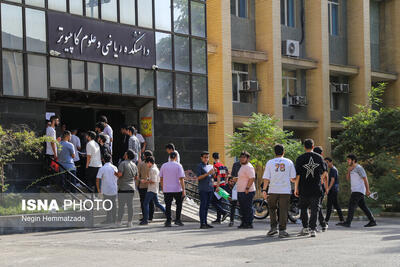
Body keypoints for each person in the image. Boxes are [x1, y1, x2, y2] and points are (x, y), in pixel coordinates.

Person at [294, 139, 328, 238]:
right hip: (316, 188)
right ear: (313, 146)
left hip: (303, 187)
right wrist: (320, 180)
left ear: (304, 147)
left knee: (303, 208)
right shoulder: (319, 157)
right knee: (314, 209)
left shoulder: (300, 158)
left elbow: (298, 175)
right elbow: (325, 172)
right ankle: (313, 229)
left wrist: (296, 188)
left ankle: (305, 228)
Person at [262, 144, 296, 238]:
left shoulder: (270, 162)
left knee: (272, 208)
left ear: (274, 152)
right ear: (283, 152)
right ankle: (282, 230)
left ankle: (273, 228)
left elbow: (266, 178)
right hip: (285, 190)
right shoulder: (289, 162)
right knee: (283, 210)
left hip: (273, 189)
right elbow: (293, 178)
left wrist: (264, 190)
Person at [337, 154, 377, 228]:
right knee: (363, 206)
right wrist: (348, 171)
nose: (347, 161)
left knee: (351, 205)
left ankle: (348, 222)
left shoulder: (359, 168)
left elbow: (365, 179)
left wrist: (368, 190)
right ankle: (372, 221)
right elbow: (347, 179)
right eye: (347, 160)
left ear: (353, 160)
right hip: (355, 190)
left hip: (358, 191)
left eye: (349, 160)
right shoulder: (351, 168)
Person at [159, 151, 186, 227]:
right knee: (179, 205)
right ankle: (178, 220)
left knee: (168, 205)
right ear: (176, 157)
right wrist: (184, 190)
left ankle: (168, 221)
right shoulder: (179, 166)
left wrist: (163, 187)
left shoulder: (164, 165)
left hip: (167, 189)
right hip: (177, 189)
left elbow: (161, 178)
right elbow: (181, 179)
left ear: (169, 157)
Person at [139, 156, 166, 225]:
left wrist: (145, 181)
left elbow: (153, 181)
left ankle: (145, 220)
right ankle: (168, 214)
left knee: (145, 203)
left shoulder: (152, 169)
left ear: (149, 162)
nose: (146, 165)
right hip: (155, 189)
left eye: (147, 163)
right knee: (157, 204)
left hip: (151, 189)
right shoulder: (156, 168)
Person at [115, 149, 138, 227]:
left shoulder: (123, 163)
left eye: (125, 153)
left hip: (123, 187)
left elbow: (120, 174)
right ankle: (130, 222)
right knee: (130, 205)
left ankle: (119, 222)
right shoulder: (134, 165)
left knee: (121, 205)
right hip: (131, 187)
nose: (124, 154)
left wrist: (115, 174)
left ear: (127, 155)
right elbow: (136, 177)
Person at [96, 153, 118, 224]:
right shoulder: (114, 167)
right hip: (114, 188)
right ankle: (114, 219)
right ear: (110, 159)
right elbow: (118, 177)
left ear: (103, 160)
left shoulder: (102, 168)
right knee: (114, 204)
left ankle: (108, 219)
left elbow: (98, 179)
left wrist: (98, 189)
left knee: (107, 205)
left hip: (105, 189)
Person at [196, 151, 215, 229]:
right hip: (203, 188)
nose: (206, 159)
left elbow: (212, 177)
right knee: (203, 206)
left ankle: (206, 222)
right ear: (201, 158)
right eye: (205, 157)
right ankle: (202, 223)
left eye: (207, 157)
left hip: (210, 188)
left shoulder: (210, 166)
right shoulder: (200, 166)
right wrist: (207, 174)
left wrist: (213, 173)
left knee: (207, 206)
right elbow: (199, 177)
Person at [237, 151, 256, 229]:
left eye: (244, 157)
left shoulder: (248, 166)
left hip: (247, 191)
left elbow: (252, 178)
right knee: (242, 208)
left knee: (247, 207)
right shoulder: (242, 166)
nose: (242, 159)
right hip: (241, 191)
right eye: (241, 157)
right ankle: (244, 222)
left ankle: (249, 223)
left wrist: (247, 188)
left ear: (248, 158)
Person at [313, 146, 328, 232]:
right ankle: (322, 224)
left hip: (314, 186)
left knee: (317, 206)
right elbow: (326, 176)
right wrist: (326, 188)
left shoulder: (311, 162)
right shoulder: (323, 162)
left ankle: (322, 224)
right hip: (320, 186)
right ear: (321, 153)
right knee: (317, 206)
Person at [324, 157, 344, 223]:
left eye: (327, 162)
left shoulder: (333, 170)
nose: (326, 164)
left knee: (329, 205)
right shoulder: (333, 169)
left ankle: (326, 221)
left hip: (332, 190)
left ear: (331, 162)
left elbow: (332, 180)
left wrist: (328, 189)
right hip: (334, 189)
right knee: (336, 205)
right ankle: (342, 219)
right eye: (325, 163)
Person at [137, 150, 155, 222]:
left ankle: (145, 216)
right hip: (151, 185)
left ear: (144, 156)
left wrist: (137, 184)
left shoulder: (141, 164)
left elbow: (138, 175)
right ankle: (151, 216)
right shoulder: (153, 165)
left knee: (143, 202)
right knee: (151, 202)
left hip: (142, 185)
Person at [212, 152, 229, 224]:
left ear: (213, 157)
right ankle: (218, 219)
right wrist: (225, 182)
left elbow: (218, 176)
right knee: (218, 202)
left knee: (213, 201)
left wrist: (218, 186)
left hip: (217, 185)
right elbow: (227, 175)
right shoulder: (222, 165)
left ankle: (224, 212)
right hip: (223, 185)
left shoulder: (215, 166)